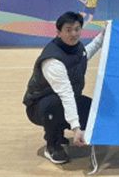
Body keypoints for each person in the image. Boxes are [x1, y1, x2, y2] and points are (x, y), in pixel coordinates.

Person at [23, 11, 106, 165]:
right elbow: (66, 94)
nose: (73, 34)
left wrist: (102, 36)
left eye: (77, 29)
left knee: (92, 111)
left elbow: (85, 55)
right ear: (58, 32)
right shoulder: (52, 60)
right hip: (39, 107)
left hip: (61, 100)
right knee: (55, 104)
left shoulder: (76, 47)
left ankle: (59, 130)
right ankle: (52, 145)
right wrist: (76, 128)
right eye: (68, 30)